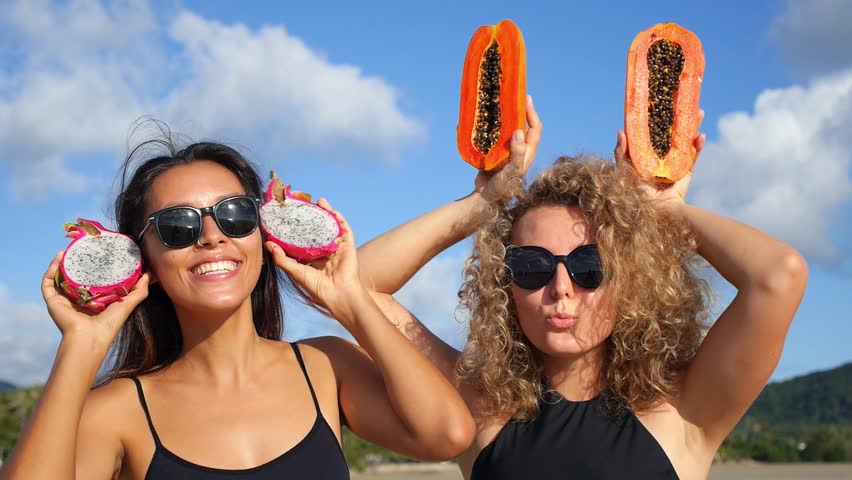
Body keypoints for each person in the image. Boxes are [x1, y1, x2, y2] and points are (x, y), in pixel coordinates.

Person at [357, 97, 808, 479]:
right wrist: (482, 203)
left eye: (589, 266)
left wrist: (662, 210)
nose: (560, 287)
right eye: (532, 266)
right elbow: (355, 282)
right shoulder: (478, 408)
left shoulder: (683, 408)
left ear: (629, 277)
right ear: (504, 284)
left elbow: (778, 276)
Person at [0, 129, 475, 479]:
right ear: (143, 256)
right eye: (178, 227)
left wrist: (348, 299)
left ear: (262, 233)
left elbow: (447, 435)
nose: (211, 236)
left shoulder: (327, 367)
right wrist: (80, 345)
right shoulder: (116, 411)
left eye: (235, 215)